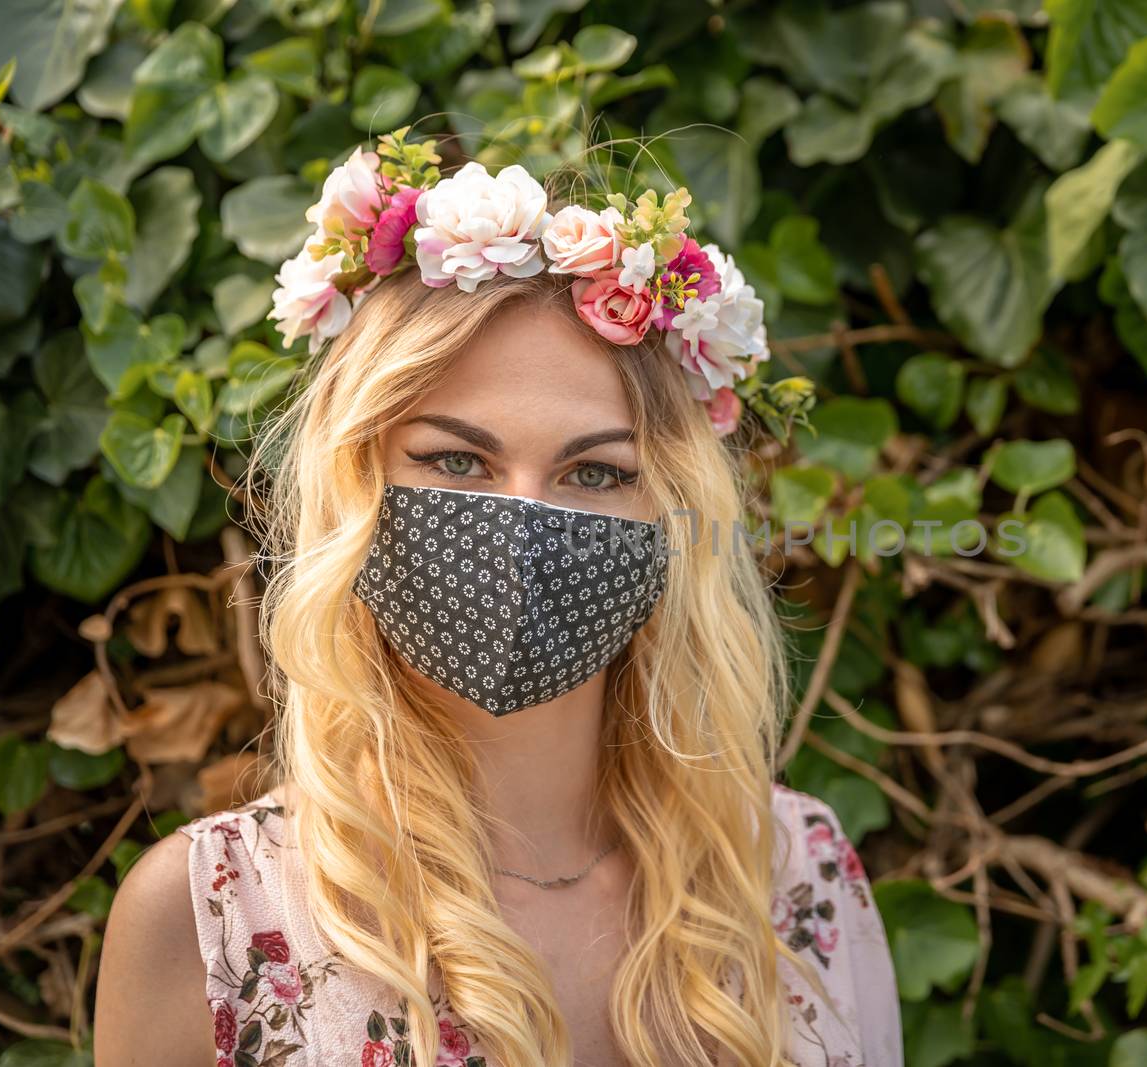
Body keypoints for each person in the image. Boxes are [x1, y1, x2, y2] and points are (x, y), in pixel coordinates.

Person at [94, 133, 903, 1067]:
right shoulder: (215, 914)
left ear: (672, 514)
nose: (522, 523)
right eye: (455, 460)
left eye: (595, 472)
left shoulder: (794, 873)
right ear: (357, 485)